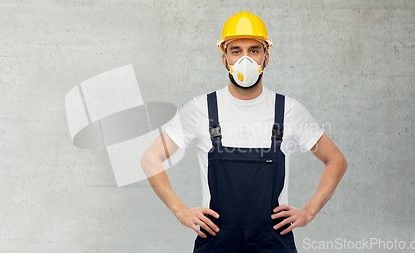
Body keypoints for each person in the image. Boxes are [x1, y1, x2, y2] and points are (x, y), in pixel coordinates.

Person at [141, 11, 347, 253]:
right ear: (224, 59)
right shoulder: (201, 109)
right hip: (216, 242)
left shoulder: (289, 110)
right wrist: (180, 209)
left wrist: (309, 211)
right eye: (236, 51)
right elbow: (150, 158)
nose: (245, 59)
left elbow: (336, 161)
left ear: (266, 58)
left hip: (273, 243)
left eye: (254, 50)